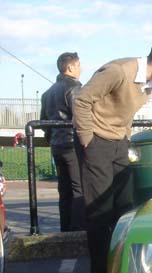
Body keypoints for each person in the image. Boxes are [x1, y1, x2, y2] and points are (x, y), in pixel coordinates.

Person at [73, 35, 152, 273]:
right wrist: (88, 139)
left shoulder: (150, 84)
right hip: (96, 142)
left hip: (119, 143)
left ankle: (124, 272)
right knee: (100, 213)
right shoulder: (119, 71)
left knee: (125, 208)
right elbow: (82, 100)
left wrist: (124, 138)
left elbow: (125, 113)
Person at [40, 52, 84, 232]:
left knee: (64, 190)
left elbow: (43, 122)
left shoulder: (47, 93)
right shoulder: (74, 87)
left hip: (57, 146)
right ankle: (79, 229)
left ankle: (65, 229)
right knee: (79, 188)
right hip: (73, 144)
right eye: (79, 65)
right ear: (70, 67)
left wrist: (52, 137)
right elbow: (81, 117)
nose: (81, 69)